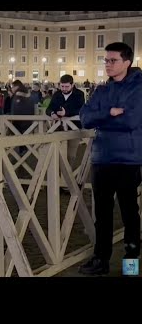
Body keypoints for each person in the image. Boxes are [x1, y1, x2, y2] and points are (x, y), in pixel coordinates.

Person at [79, 42, 142, 275]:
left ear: (127, 62)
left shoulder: (138, 89)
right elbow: (85, 118)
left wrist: (101, 118)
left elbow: (130, 121)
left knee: (129, 212)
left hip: (128, 159)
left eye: (113, 60)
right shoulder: (102, 90)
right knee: (102, 214)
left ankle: (131, 262)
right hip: (101, 158)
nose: (108, 64)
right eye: (106, 60)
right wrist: (109, 113)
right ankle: (100, 259)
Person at [45, 74, 85, 170]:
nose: (64, 89)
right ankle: (58, 178)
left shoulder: (79, 94)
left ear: (72, 85)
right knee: (57, 154)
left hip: (74, 127)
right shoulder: (57, 94)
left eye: (67, 86)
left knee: (71, 155)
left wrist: (66, 112)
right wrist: (52, 114)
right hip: (58, 128)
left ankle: (68, 178)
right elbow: (49, 108)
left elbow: (81, 110)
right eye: (62, 86)